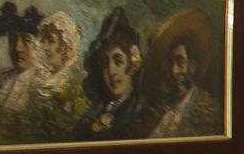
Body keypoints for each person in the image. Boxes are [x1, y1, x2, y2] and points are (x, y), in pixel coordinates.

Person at [138, 8, 222, 139]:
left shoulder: (207, 110)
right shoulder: (159, 108)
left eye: (180, 61)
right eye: (171, 62)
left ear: (192, 66)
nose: (174, 71)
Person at [70, 8, 150, 140]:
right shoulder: (97, 109)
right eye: (104, 63)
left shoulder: (141, 111)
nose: (111, 71)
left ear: (133, 64)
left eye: (118, 61)